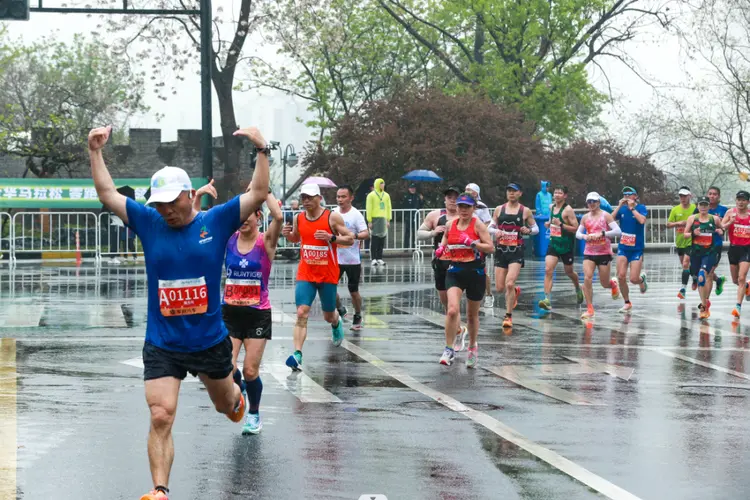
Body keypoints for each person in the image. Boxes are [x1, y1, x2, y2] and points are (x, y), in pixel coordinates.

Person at [88, 124, 270, 500]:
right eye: (160, 203)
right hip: (162, 343)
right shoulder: (148, 223)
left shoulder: (215, 221)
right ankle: (159, 490)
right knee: (160, 415)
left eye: (174, 201)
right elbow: (107, 193)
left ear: (190, 195)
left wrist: (263, 150)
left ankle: (237, 398)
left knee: (226, 406)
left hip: (208, 342)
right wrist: (95, 151)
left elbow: (257, 192)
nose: (167, 210)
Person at [190, 180, 283, 436]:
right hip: (229, 313)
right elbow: (198, 223)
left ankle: (253, 414)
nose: (243, 220)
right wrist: (198, 196)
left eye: (248, 216)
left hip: (257, 314)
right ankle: (239, 389)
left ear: (257, 217)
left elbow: (278, 215)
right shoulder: (228, 240)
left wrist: (263, 190)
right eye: (240, 216)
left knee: (252, 370)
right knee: (226, 369)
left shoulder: (267, 243)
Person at [281, 183, 354, 371]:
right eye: (303, 197)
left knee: (328, 315)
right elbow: (297, 238)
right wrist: (288, 235)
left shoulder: (332, 217)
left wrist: (332, 238)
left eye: (309, 197)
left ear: (319, 198)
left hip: (327, 274)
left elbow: (350, 238)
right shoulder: (299, 217)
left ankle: (336, 321)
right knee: (301, 313)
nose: (305, 201)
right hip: (306, 273)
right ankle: (297, 355)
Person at [435, 193, 494, 367]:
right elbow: (444, 243)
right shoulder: (450, 225)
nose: (463, 210)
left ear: (473, 208)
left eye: (467, 207)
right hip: (455, 271)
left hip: (475, 272)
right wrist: (441, 250)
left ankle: (472, 347)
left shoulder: (478, 225)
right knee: (452, 310)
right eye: (461, 206)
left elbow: (490, 247)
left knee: (471, 315)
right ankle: (448, 349)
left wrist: (472, 243)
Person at [416, 186, 468, 351]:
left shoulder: (465, 216)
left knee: (454, 305)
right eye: (449, 197)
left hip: (459, 263)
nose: (452, 200)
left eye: (455, 197)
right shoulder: (435, 215)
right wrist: (433, 233)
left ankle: (453, 339)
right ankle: (459, 330)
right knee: (446, 305)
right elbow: (419, 233)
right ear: (445, 200)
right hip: (440, 262)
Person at [490, 182, 538, 329]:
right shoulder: (499, 209)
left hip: (516, 251)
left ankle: (508, 316)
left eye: (514, 191)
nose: (511, 193)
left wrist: (528, 230)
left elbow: (536, 228)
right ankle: (515, 292)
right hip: (501, 250)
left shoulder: (525, 211)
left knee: (509, 283)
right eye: (509, 191)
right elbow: (490, 226)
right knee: (499, 288)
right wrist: (495, 231)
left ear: (520, 193)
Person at [576, 192, 621, 320]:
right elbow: (578, 234)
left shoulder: (605, 216)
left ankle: (612, 284)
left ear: (599, 203)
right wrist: (585, 236)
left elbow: (618, 231)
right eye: (589, 202)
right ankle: (590, 308)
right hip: (589, 252)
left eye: (594, 201)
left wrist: (602, 234)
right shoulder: (585, 217)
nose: (591, 204)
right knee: (587, 278)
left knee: (604, 283)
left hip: (604, 252)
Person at [539, 185, 582, 311]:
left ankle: (578, 287)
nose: (557, 195)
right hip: (554, 243)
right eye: (555, 192)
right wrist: (549, 224)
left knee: (569, 272)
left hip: (566, 245)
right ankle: (546, 299)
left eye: (560, 193)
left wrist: (562, 225)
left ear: (565, 196)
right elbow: (552, 221)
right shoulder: (551, 207)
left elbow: (576, 228)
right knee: (548, 269)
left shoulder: (568, 210)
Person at [334, 185, 370, 331]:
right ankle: (341, 309)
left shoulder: (356, 215)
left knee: (353, 290)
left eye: (343, 197)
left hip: (352, 259)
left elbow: (365, 233)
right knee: (329, 288)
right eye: (338, 197)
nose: (340, 200)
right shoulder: (334, 213)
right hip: (336, 258)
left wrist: (353, 236)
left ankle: (357, 314)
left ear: (351, 198)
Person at [684, 196, 725, 319]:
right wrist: (693, 233)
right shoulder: (692, 218)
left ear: (708, 206)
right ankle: (704, 304)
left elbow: (722, 228)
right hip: (696, 253)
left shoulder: (714, 219)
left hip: (709, 252)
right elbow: (685, 234)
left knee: (702, 276)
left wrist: (720, 231)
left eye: (705, 205)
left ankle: (704, 305)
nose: (703, 207)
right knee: (700, 279)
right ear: (697, 206)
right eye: (701, 205)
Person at [614, 186, 648, 313]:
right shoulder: (621, 209)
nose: (627, 196)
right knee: (621, 276)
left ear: (635, 196)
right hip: (623, 247)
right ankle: (627, 302)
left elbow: (642, 220)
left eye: (630, 194)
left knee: (633, 278)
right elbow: (610, 220)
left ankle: (641, 280)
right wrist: (618, 206)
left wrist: (632, 208)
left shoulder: (641, 208)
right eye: (625, 194)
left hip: (636, 248)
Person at [694, 186, 728, 296]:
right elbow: (692, 224)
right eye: (710, 194)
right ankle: (718, 280)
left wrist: (721, 228)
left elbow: (725, 226)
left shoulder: (723, 210)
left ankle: (705, 303)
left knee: (708, 273)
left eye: (714, 194)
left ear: (718, 196)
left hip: (715, 245)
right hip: (699, 246)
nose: (712, 196)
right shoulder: (699, 209)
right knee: (701, 272)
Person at [465, 183, 494, 308]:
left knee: (481, 269)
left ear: (476, 193)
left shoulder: (481, 207)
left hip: (479, 242)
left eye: (470, 190)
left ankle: (488, 295)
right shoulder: (462, 204)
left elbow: (488, 222)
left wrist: (481, 234)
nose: (467, 192)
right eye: (466, 190)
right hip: (465, 241)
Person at [722, 190, 750, 319]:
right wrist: (730, 222)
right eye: (738, 199)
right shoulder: (730, 213)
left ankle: (738, 306)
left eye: (743, 200)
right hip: (734, 249)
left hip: (747, 249)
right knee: (735, 280)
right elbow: (721, 228)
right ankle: (747, 287)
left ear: (748, 202)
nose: (740, 202)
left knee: (741, 277)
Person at [667, 187, 695, 299]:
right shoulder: (675, 209)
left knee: (685, 263)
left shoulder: (695, 208)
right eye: (681, 196)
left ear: (690, 196)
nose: (683, 198)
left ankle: (683, 289)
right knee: (685, 266)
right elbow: (668, 224)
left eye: (685, 196)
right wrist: (679, 223)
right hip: (680, 241)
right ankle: (694, 277)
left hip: (692, 240)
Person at [366, 178, 392, 266]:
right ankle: (373, 258)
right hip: (374, 218)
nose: (383, 185)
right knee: (374, 239)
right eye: (381, 183)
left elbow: (389, 207)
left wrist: (388, 219)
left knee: (382, 239)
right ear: (377, 184)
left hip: (383, 218)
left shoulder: (386, 195)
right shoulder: (371, 195)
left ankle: (379, 258)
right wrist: (369, 220)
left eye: (383, 183)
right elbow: (368, 208)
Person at [401, 182, 423, 249]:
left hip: (415, 217)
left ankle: (414, 247)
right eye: (411, 188)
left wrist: (422, 200)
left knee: (415, 232)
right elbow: (403, 206)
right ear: (409, 189)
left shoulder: (418, 196)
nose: (412, 189)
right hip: (408, 217)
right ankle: (406, 248)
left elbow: (420, 206)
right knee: (407, 232)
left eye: (413, 188)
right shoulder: (406, 196)